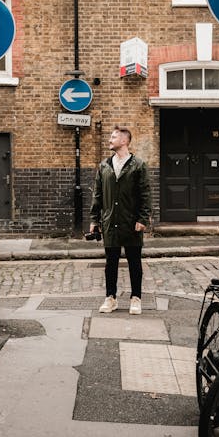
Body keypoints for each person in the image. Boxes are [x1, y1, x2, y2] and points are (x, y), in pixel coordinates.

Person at [89, 125, 152, 315]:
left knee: (134, 262)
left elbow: (145, 194)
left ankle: (136, 298)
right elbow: (97, 195)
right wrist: (94, 219)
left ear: (124, 141)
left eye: (114, 137)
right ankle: (110, 298)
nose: (110, 139)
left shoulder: (138, 165)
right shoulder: (104, 166)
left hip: (131, 222)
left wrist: (142, 218)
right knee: (111, 264)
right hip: (110, 222)